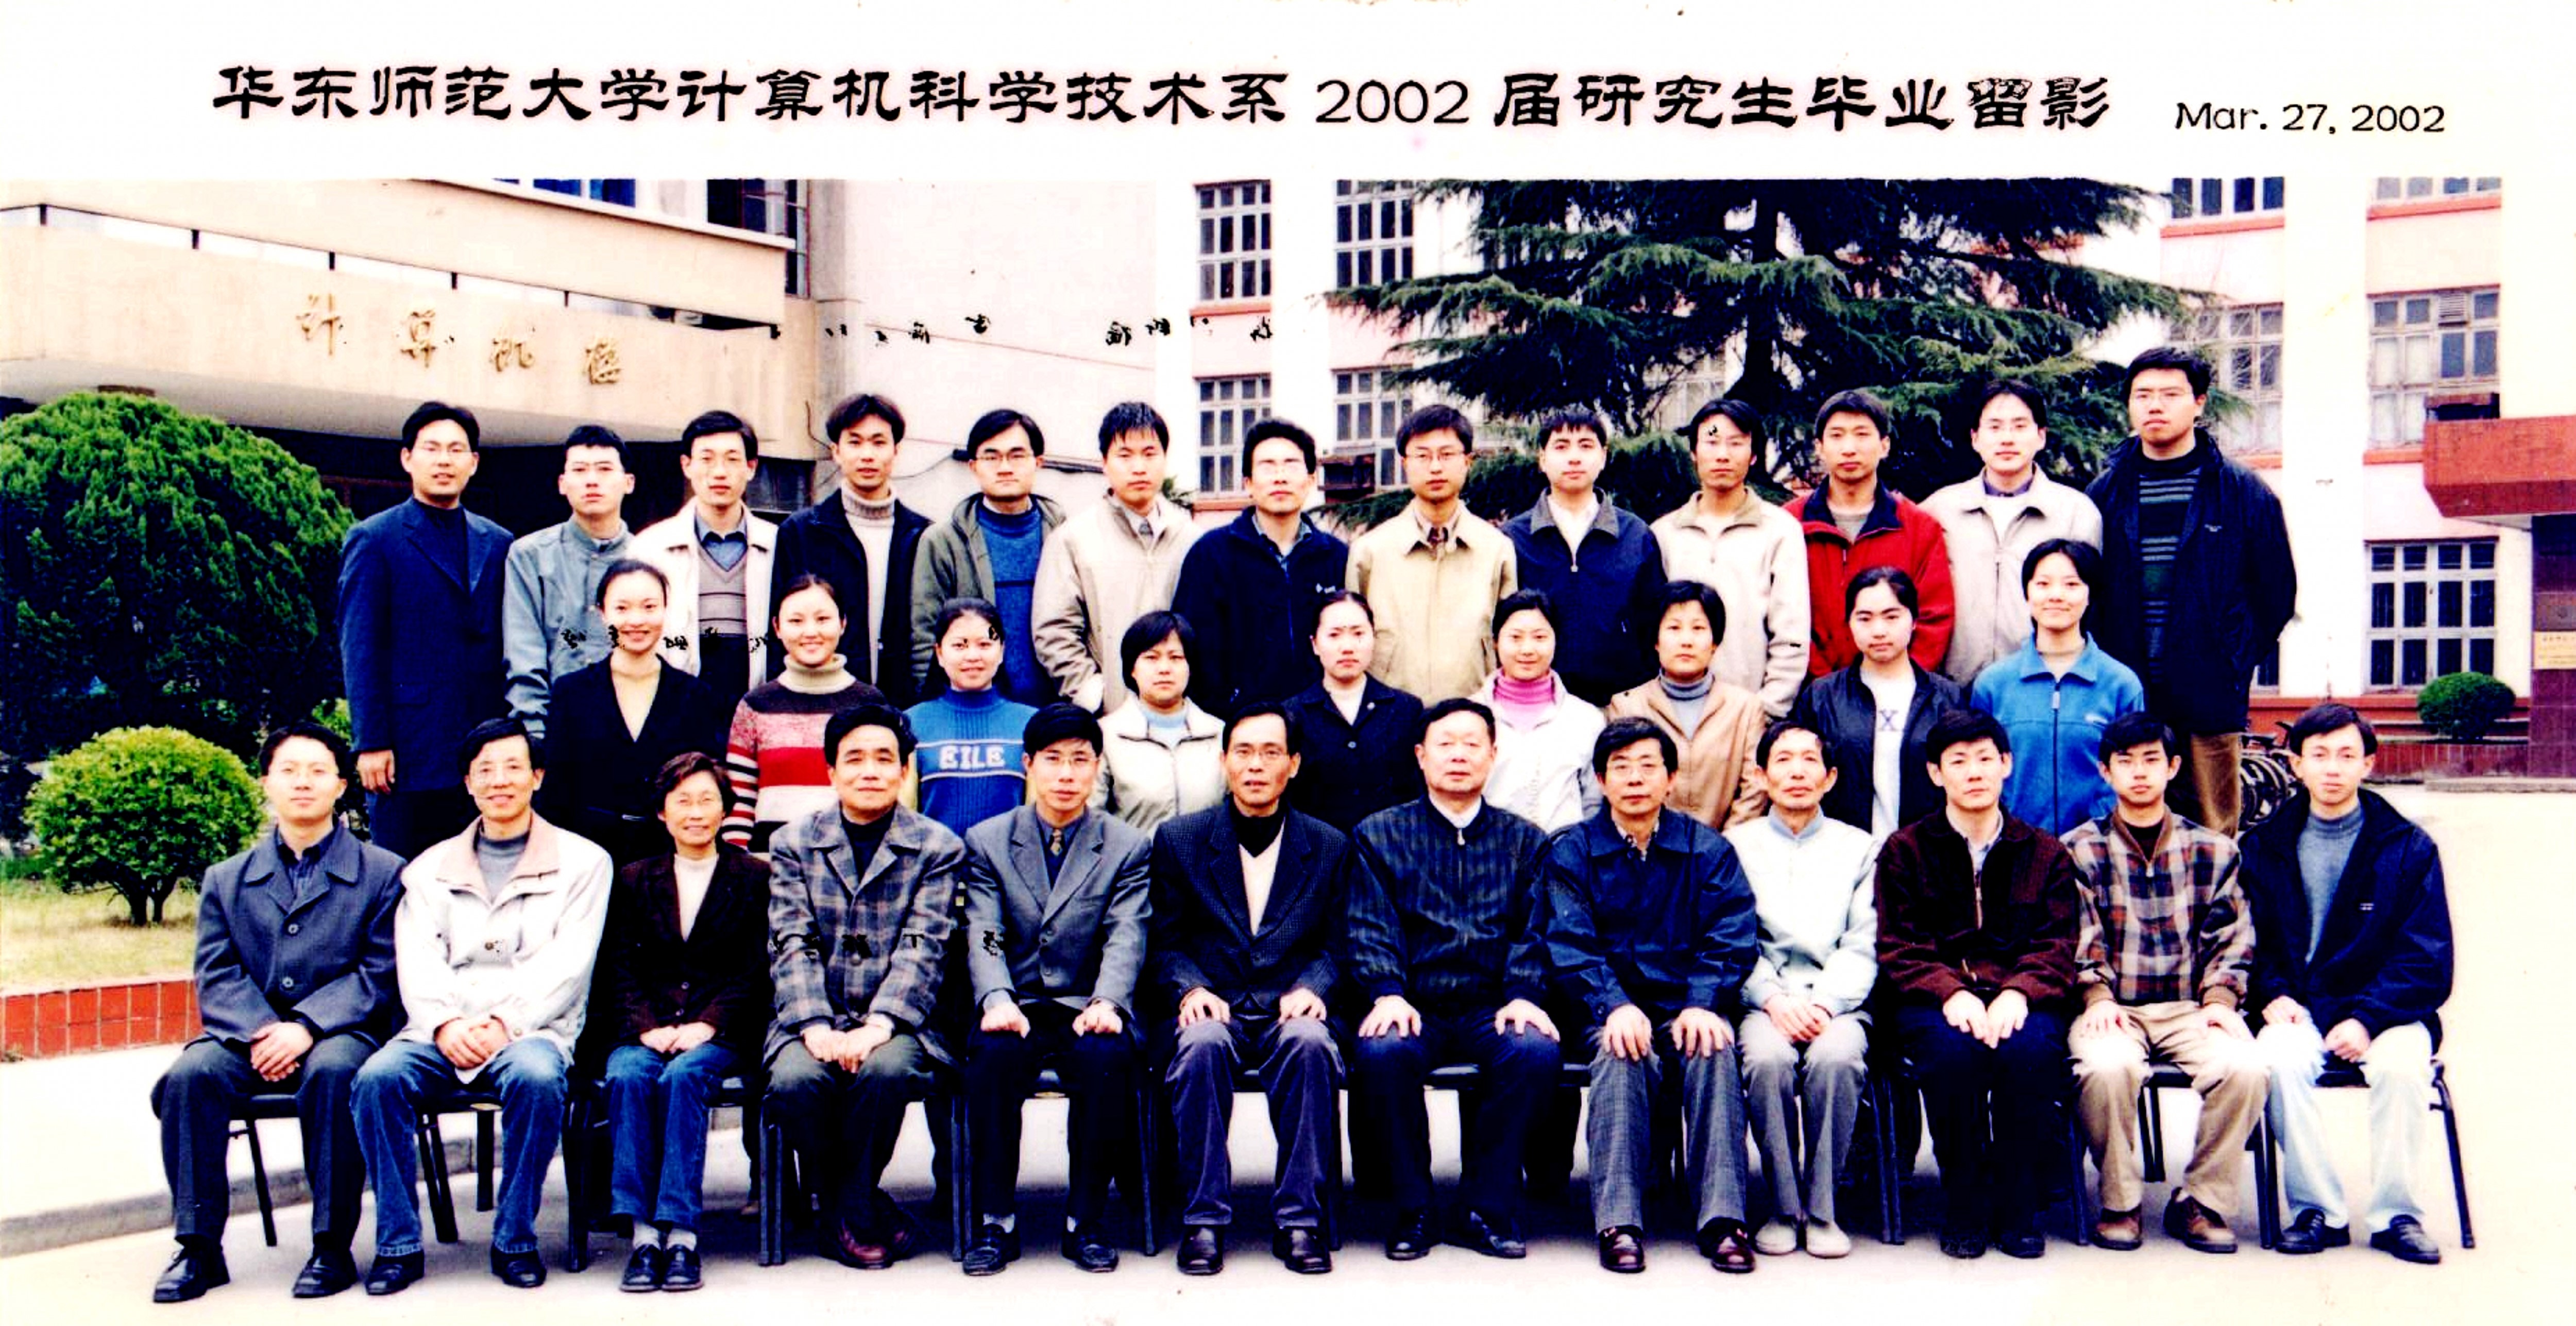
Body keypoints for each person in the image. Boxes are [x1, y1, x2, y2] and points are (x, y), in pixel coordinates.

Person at [351, 718, 614, 1294]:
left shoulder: (584, 862)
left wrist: (504, 1023)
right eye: (485, 770)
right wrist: (445, 1024)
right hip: (438, 1031)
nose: (500, 780)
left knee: (537, 1078)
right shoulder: (428, 868)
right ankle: (397, 1243)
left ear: (537, 777)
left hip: (532, 1031)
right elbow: (417, 959)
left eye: (513, 767)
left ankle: (515, 1237)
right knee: (377, 1079)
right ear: (468, 783)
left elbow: (568, 966)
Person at [149, 721, 405, 1303]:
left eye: (318, 771)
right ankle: (198, 1246)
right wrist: (266, 1030)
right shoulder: (226, 879)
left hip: (342, 1030)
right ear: (266, 782)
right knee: (192, 1074)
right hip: (250, 1033)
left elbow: (380, 971)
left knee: (336, 1071)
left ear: (341, 785)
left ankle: (331, 1245)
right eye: (288, 770)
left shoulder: (383, 872)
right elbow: (216, 972)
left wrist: (307, 1026)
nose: (303, 782)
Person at [1149, 702, 1362, 1277]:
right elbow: (1164, 941)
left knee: (1310, 1043)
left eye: (1271, 753)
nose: (1256, 765)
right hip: (1213, 1001)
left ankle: (1299, 1218)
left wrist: (1315, 986)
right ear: (1224, 761)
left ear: (1293, 764)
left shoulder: (1328, 844)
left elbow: (1341, 944)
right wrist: (1189, 988)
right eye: (1243, 751)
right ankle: (1203, 1218)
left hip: (1289, 1002)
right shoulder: (1180, 839)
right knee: (1200, 1044)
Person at [1345, 698, 1560, 1261]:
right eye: (1445, 744)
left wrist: (1524, 993)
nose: (1458, 755)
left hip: (1492, 1004)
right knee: (1382, 1051)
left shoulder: (1526, 840)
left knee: (1533, 1050)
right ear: (1420, 755)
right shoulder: (1379, 835)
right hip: (1414, 1002)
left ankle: (1484, 1206)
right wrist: (1386, 991)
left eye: (1471, 744)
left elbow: (1535, 927)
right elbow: (1369, 923)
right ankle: (1413, 1206)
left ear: (1493, 754)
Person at [1543, 718, 1760, 1274]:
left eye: (1648, 766)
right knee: (1621, 1051)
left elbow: (1731, 932)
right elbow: (1569, 941)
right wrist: (1613, 1004)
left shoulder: (1706, 848)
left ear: (1670, 778)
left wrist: (1702, 1000)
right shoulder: (1571, 851)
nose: (1635, 779)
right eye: (1620, 767)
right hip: (1603, 1008)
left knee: (1713, 1045)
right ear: (1600, 780)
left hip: (1684, 1002)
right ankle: (1620, 1221)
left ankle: (1723, 1219)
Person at [2244, 704, 2453, 1265]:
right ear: (2296, 764)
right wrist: (2271, 993)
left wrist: (2367, 1018)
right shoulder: (2264, 845)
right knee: (2277, 1061)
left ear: (2368, 763)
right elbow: (2250, 940)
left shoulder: (2406, 846)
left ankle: (2396, 1215)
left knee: (2401, 1067)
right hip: (2298, 1004)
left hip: (2386, 1010)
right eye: (2318, 755)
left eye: (2345, 755)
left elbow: (2426, 956)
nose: (2332, 768)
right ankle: (2318, 1210)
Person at [764, 704, 968, 1270]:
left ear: (904, 771)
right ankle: (860, 1204)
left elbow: (924, 945)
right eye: (854, 759)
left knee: (887, 1070)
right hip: (812, 1014)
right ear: (831, 771)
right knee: (795, 1079)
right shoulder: (792, 842)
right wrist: (814, 1024)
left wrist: (880, 1024)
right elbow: (791, 938)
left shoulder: (937, 846)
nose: (870, 771)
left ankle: (841, 1210)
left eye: (884, 759)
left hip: (901, 1020)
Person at [1874, 710, 2078, 1260]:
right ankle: (1964, 1201)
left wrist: (2019, 990)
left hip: (2023, 995)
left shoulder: (2044, 851)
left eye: (1986, 758)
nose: (1974, 772)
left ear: (2006, 764)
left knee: (2028, 1052)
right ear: (1935, 773)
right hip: (1933, 998)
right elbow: (1899, 943)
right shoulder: (1905, 849)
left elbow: (2058, 942)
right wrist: (1950, 991)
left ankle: (2016, 1207)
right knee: (1952, 1056)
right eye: (1958, 761)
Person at [956, 705, 1153, 1275]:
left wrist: (1108, 1001)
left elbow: (1126, 932)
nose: (1066, 774)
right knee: (993, 1057)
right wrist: (996, 997)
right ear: (1028, 765)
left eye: (1079, 760)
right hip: (1015, 1001)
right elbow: (984, 929)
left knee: (1105, 1057)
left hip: (1085, 1002)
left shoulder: (1125, 845)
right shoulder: (988, 840)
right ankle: (996, 1220)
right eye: (1052, 759)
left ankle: (1084, 1220)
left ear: (1096, 768)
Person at [2061, 712, 2261, 1255]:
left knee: (2245, 1068)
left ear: (2173, 767)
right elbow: (2077, 933)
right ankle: (2119, 1201)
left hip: (2189, 1007)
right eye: (2125, 761)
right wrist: (2095, 995)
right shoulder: (2079, 849)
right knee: (2105, 1068)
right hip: (2113, 1006)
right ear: (2105, 772)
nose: (2139, 772)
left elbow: (2233, 935)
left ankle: (2200, 1199)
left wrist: (2220, 999)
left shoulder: (2213, 849)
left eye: (2151, 759)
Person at [2086, 347, 2297, 836]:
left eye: (2170, 394)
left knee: (2213, 829)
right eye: (2143, 395)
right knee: (2127, 823)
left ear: (2199, 402)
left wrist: (2232, 657)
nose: (2155, 406)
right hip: (2128, 689)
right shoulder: (2106, 492)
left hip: (2209, 693)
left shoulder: (2242, 491)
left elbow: (2276, 594)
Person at [592, 753, 770, 1293]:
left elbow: (755, 969)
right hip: (648, 1027)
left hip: (720, 1030)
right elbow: (619, 965)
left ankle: (683, 1234)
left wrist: (707, 1025)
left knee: (685, 1076)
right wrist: (645, 1025)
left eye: (706, 800)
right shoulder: (634, 878)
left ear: (725, 810)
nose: (695, 812)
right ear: (663, 812)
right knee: (628, 1074)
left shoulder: (753, 876)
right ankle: (644, 1235)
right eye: (683, 801)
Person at [1725, 718, 1877, 1260]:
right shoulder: (1734, 846)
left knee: (1837, 1058)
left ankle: (1822, 1208)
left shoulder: (1859, 847)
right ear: (1761, 775)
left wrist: (1825, 1002)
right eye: (1783, 760)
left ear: (1830, 777)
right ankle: (1783, 1208)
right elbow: (1730, 938)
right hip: (1763, 999)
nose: (1796, 771)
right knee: (1766, 1060)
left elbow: (1864, 940)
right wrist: (1770, 997)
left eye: (1809, 760)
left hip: (1836, 1001)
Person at [337, 400, 513, 856]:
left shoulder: (498, 542)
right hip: (407, 748)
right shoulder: (376, 539)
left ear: (474, 462)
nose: (444, 460)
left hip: (482, 743)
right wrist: (371, 742)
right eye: (431, 448)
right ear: (407, 458)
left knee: (482, 869)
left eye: (456, 450)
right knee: (405, 875)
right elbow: (360, 648)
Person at [539, 560, 730, 866]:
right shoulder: (572, 692)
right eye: (622, 608)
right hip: (588, 855)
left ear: (666, 610)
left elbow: (708, 783)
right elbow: (556, 790)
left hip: (669, 856)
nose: (636, 620)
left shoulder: (696, 696)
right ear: (602, 613)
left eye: (649, 607)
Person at [1921, 381, 2104, 685]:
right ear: (1975, 438)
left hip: (2041, 685)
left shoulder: (2076, 513)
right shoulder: (1939, 510)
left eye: (2020, 426)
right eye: (1994, 427)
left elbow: (2091, 606)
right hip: (1951, 686)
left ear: (2041, 436)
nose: (2007, 438)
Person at [1170, 418, 1350, 717]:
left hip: (1322, 722)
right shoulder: (1212, 554)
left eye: (1291, 465)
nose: (1280, 477)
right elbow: (1192, 646)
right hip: (1240, 725)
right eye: (1268, 466)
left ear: (1310, 481)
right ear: (1249, 483)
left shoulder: (1335, 556)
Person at [1031, 402, 1202, 714]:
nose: (1139, 467)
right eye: (1125, 455)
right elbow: (1054, 631)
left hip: (1183, 716)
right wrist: (1094, 696)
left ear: (1165, 459)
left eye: (1149, 454)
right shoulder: (1073, 540)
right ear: (1105, 463)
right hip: (1111, 716)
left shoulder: (1193, 539)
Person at [1969, 540, 2145, 836]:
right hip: (2012, 844)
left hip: (2096, 846)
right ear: (2027, 593)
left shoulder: (2120, 684)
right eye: (2043, 584)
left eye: (2071, 584)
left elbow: (2132, 771)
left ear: (2090, 595)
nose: (2056, 595)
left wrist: (2093, 831)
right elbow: (1980, 767)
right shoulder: (1993, 684)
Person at [1344, 405, 1518, 702]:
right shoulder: (1370, 551)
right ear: (1405, 464)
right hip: (1390, 714)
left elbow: (1509, 638)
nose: (1435, 467)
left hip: (1473, 713)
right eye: (1422, 456)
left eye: (1447, 455)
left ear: (1467, 461)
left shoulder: (1496, 549)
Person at [771, 393, 933, 705]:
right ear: (836, 451)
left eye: (879, 442)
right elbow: (782, 626)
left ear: (896, 450)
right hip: (821, 700)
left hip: (904, 703)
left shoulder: (922, 534)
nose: (867, 455)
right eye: (855, 443)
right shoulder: (802, 531)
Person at [1653, 399, 1810, 718]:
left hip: (1753, 714)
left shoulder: (1780, 531)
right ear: (1694, 452)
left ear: (1753, 455)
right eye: (1712, 442)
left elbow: (1791, 636)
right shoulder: (1664, 533)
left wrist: (1765, 712)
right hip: (1673, 713)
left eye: (1736, 443)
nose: (1723, 455)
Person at [1500, 407, 1664, 704]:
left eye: (1586, 446)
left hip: (1621, 703)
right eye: (1561, 447)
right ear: (1542, 459)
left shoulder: (1635, 535)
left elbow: (1653, 624)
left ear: (1603, 456)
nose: (1574, 458)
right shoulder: (1514, 538)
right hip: (1536, 702)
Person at [1787, 390, 1954, 677]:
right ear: (1819, 447)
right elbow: (1783, 618)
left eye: (1862, 435)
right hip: (1810, 691)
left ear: (1884, 445)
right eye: (1837, 436)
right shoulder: (1789, 524)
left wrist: (1900, 683)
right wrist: (1827, 688)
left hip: (1898, 690)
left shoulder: (1919, 527)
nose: (1849, 448)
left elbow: (1934, 619)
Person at [1790, 568, 1965, 842]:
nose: (1879, 631)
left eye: (1892, 617)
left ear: (1914, 620)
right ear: (1849, 623)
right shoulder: (1822, 698)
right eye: (1865, 618)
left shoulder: (1947, 698)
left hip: (1924, 853)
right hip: (1843, 851)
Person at [910, 409, 1066, 706]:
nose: (1005, 468)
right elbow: (925, 636)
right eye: (991, 457)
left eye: (1017, 456)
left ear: (1038, 462)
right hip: (976, 705)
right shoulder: (943, 541)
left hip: (1056, 707)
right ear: (973, 466)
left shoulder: (1065, 536)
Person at [720, 576, 886, 853]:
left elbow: (883, 794)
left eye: (823, 619)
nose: (810, 632)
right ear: (777, 627)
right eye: (796, 621)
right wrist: (742, 865)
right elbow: (739, 803)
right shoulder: (755, 705)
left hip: (852, 861)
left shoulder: (870, 704)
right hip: (771, 864)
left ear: (843, 623)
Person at [635, 409, 777, 712]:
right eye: (707, 459)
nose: (720, 472)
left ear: (751, 467)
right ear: (686, 465)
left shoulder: (778, 544)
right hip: (674, 709)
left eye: (732, 459)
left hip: (758, 707)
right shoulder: (650, 547)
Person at [503, 425, 638, 740]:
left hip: (633, 725)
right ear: (562, 484)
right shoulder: (530, 555)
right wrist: (535, 737)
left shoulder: (650, 555)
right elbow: (523, 653)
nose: (592, 480)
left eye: (604, 469)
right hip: (555, 729)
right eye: (579, 470)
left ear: (628, 483)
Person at [1607, 579, 1768, 830]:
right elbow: (1623, 785)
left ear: (1715, 642)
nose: (1686, 641)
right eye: (1674, 628)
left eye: (1698, 628)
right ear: (1656, 641)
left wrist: (1720, 847)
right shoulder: (1627, 706)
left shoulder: (1745, 709)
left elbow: (1754, 791)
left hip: (1727, 847)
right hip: (1647, 847)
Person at [1282, 591, 1426, 833]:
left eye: (1358, 634)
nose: (1347, 647)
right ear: (1315, 644)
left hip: (1391, 846)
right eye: (1334, 635)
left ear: (1373, 639)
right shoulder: (1291, 714)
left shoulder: (1406, 710)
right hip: (1319, 848)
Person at [1470, 590, 1605, 833]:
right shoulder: (1469, 716)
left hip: (1565, 852)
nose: (1527, 649)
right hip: (1489, 851)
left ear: (1556, 641)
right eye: (1515, 638)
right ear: (1496, 642)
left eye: (1540, 637)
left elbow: (1594, 804)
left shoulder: (1586, 719)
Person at [904, 597, 1040, 837]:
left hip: (1009, 860)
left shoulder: (1031, 724)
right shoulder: (911, 724)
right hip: (934, 860)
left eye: (985, 644)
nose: (973, 656)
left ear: (1001, 651)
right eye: (960, 645)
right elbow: (904, 816)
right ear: (939, 653)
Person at [1095, 610, 1226, 830]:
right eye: (1151, 658)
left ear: (1190, 667)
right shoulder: (1105, 737)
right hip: (1136, 854)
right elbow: (1092, 823)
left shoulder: (1219, 734)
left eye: (1176, 658)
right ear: (1132, 669)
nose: (1164, 669)